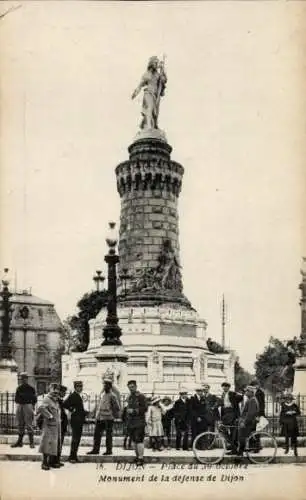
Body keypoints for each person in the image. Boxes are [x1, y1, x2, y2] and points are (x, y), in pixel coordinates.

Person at [131, 56, 167, 130]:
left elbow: (164, 80)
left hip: (155, 96)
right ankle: (149, 126)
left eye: (157, 63)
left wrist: (163, 70)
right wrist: (135, 93)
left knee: (155, 113)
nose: (157, 65)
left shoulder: (158, 75)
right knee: (149, 109)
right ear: (151, 64)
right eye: (155, 63)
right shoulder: (147, 74)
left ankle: (153, 125)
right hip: (148, 93)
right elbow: (140, 85)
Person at [87, 377, 120, 456]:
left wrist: (111, 413)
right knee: (97, 435)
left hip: (108, 418)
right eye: (104, 385)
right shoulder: (102, 394)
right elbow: (99, 406)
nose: (105, 386)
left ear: (110, 386)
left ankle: (109, 450)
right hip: (99, 418)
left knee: (108, 435)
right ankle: (95, 450)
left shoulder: (113, 396)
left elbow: (117, 407)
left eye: (106, 385)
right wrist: (96, 416)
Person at [37, 383, 61, 471]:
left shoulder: (55, 400)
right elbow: (41, 408)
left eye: (56, 391)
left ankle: (51, 462)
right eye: (54, 391)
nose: (55, 393)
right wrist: (49, 416)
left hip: (55, 426)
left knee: (53, 444)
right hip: (48, 425)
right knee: (46, 444)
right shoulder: (47, 399)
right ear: (50, 390)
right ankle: (44, 463)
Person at [11, 372, 37, 449]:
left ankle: (31, 442)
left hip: (28, 406)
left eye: (24, 378)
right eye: (22, 378)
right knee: (20, 424)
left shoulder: (31, 388)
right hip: (20, 406)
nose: (23, 380)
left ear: (27, 379)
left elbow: (34, 399)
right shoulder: (19, 388)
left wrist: (32, 406)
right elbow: (16, 399)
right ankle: (19, 442)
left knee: (29, 424)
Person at [63, 381, 87, 463]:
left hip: (79, 420)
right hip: (76, 420)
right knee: (75, 439)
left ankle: (74, 456)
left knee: (77, 439)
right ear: (75, 387)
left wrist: (84, 412)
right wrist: (71, 409)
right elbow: (64, 404)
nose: (81, 388)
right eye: (79, 386)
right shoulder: (73, 395)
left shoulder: (78, 395)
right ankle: (72, 457)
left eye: (81, 386)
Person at [125, 380, 148, 466]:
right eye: (129, 387)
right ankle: (137, 457)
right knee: (134, 441)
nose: (131, 389)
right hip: (131, 422)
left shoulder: (141, 396)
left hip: (139, 422)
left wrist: (134, 411)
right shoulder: (129, 397)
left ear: (136, 386)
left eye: (132, 387)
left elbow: (145, 408)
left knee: (139, 440)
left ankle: (141, 458)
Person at [219, 382, 243, 454]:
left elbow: (240, 398)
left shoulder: (232, 393)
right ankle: (232, 445)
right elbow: (222, 405)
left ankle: (234, 448)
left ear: (229, 387)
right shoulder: (223, 394)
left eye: (226, 386)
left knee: (233, 432)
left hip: (232, 414)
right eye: (223, 386)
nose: (224, 388)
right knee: (222, 428)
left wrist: (240, 394)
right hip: (226, 414)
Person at [237, 385, 259, 456]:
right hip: (247, 421)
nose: (245, 392)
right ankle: (240, 450)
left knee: (241, 436)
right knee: (240, 435)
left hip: (249, 422)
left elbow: (250, 414)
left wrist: (244, 422)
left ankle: (241, 452)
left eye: (247, 391)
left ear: (251, 392)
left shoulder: (252, 400)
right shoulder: (251, 399)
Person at [249, 380, 265, 451]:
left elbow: (262, 405)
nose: (257, 386)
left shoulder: (260, 392)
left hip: (258, 415)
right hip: (252, 415)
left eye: (257, 385)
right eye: (256, 385)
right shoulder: (251, 393)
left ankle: (257, 447)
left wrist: (259, 415)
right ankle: (252, 446)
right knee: (251, 431)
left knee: (257, 431)